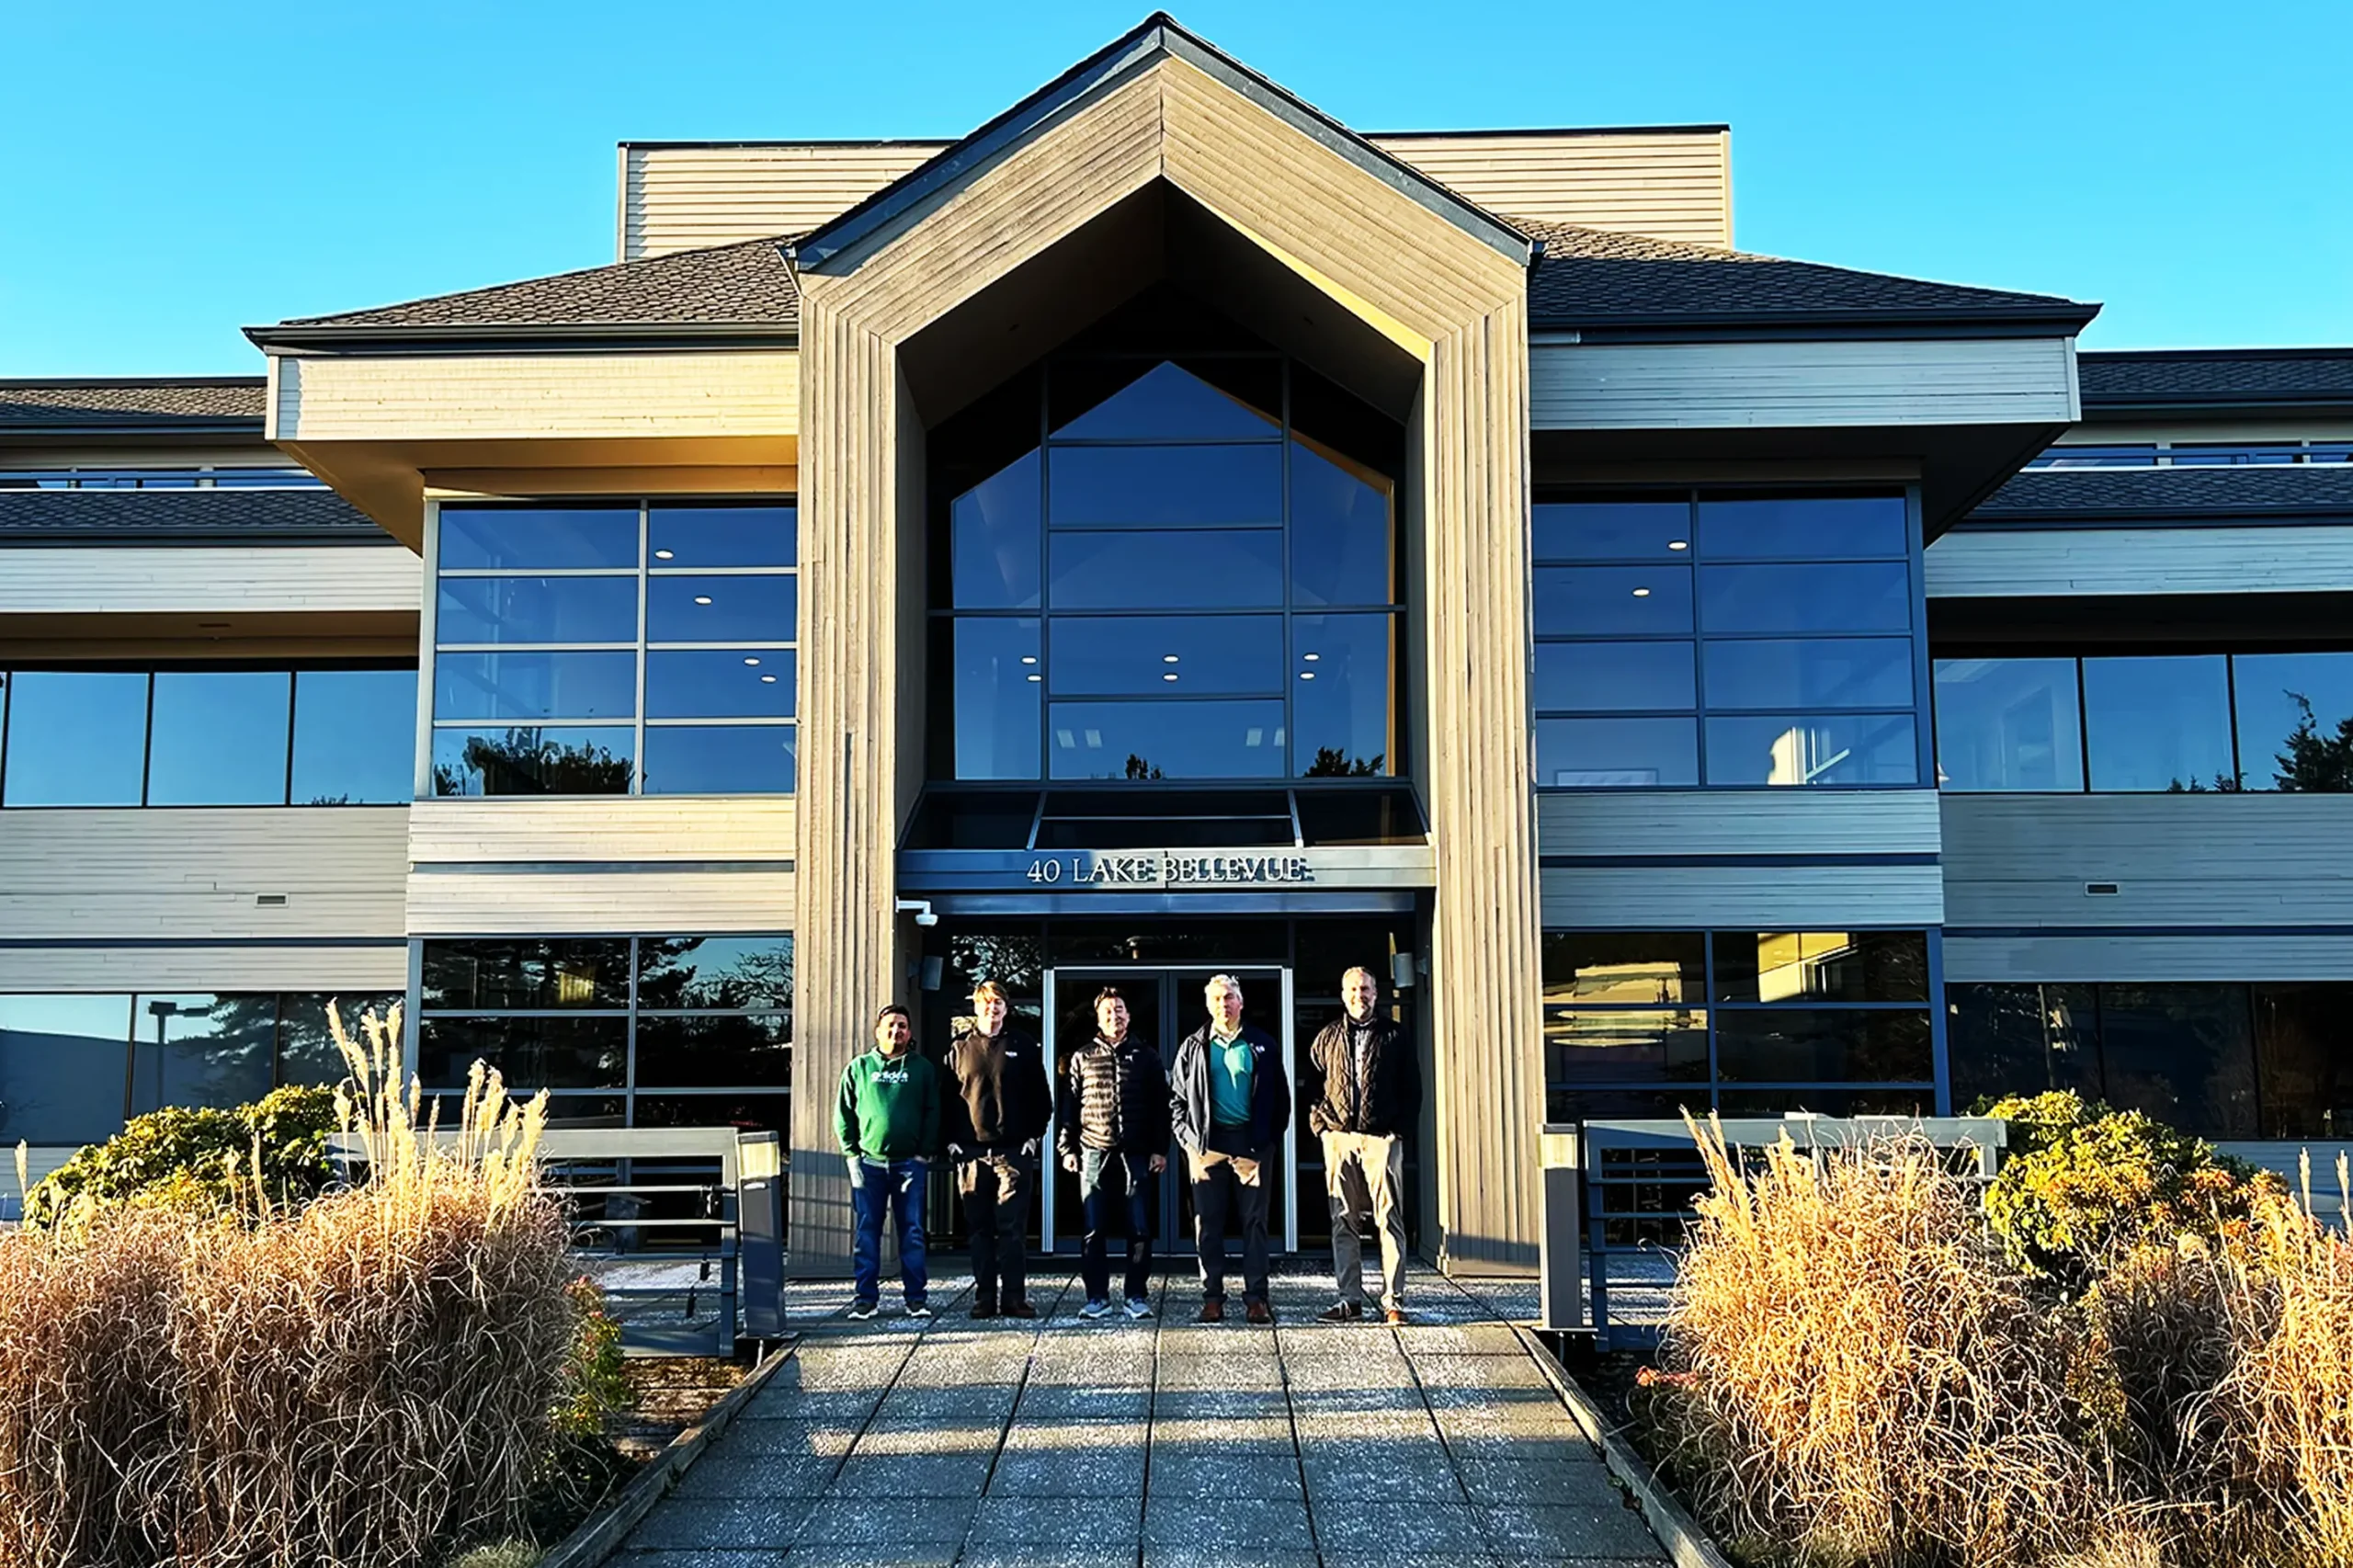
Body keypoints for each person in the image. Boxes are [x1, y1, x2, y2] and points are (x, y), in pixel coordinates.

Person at [1168, 972, 1290, 1324]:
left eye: (1230, 997)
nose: (1224, 1004)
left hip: (1252, 1147)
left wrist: (1268, 1140)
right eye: (1218, 999)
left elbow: (1281, 1099)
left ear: (1241, 1002)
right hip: (1207, 1147)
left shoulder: (1261, 1044)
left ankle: (1256, 1299)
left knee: (1255, 1223)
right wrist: (1189, 1141)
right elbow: (1176, 1100)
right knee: (1208, 1224)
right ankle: (1212, 1298)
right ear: (1209, 1006)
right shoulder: (1193, 1046)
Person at [1307, 965, 1422, 1324]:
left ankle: (1393, 1302)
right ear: (1344, 995)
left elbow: (1412, 1088)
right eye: (1354, 990)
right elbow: (1312, 1086)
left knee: (1389, 1218)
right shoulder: (1327, 1037)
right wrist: (1322, 1129)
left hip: (1381, 1140)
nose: (1360, 996)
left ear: (1376, 993)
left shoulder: (1395, 1035)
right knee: (1343, 1218)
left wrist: (1397, 1132)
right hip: (1339, 1139)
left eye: (1366, 989)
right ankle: (1349, 1301)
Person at [1057, 986, 1171, 1320]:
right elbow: (1070, 1106)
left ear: (1129, 1016)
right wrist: (1067, 1148)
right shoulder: (1082, 1057)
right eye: (1108, 1010)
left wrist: (1160, 1149)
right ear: (1098, 1018)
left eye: (1120, 1009)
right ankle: (1097, 1297)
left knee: (1139, 1228)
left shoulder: (1147, 1056)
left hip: (1136, 1152)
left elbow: (1160, 1107)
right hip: (1093, 1150)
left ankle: (1135, 1296)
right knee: (1094, 1228)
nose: (1114, 1015)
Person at [944, 979, 1052, 1319]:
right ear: (976, 1007)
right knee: (979, 1231)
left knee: (1012, 1230)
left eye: (998, 1003)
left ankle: (1014, 1298)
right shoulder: (959, 1049)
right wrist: (951, 1141)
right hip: (971, 1154)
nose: (992, 1008)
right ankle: (984, 1298)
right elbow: (945, 1098)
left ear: (1006, 1009)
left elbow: (1041, 1096)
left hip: (1013, 1153)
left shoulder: (1022, 1044)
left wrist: (1033, 1137)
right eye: (987, 1003)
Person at [833, 1002, 940, 1321]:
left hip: (909, 1165)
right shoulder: (859, 1068)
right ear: (878, 1031)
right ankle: (865, 1299)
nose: (896, 1031)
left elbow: (933, 1112)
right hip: (869, 1166)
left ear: (910, 1033)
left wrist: (923, 1153)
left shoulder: (922, 1069)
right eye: (890, 1025)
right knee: (867, 1234)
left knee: (913, 1233)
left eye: (902, 1026)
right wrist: (852, 1154)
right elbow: (843, 1114)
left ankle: (916, 1300)